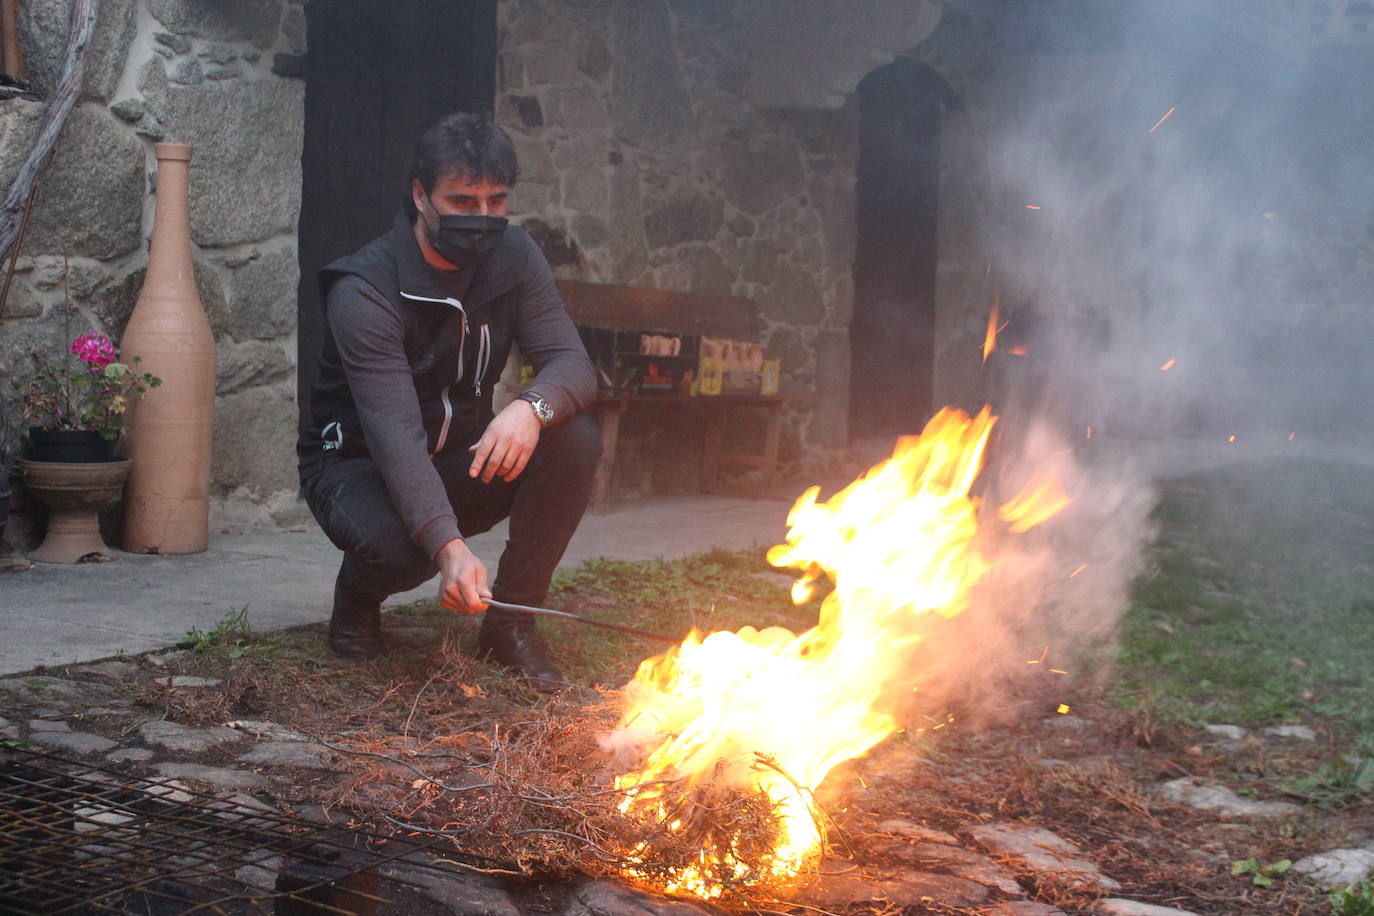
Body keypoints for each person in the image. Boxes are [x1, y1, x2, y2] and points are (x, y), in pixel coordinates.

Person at [297, 112, 600, 692]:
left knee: (574, 436)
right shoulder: (364, 290)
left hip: (457, 454)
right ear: (420, 196)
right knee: (403, 550)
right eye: (462, 201)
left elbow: (574, 364)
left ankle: (510, 627)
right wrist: (450, 550)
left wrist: (529, 407)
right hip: (357, 467)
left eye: (496, 201)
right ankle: (358, 593)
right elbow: (396, 441)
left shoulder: (516, 256)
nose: (482, 219)